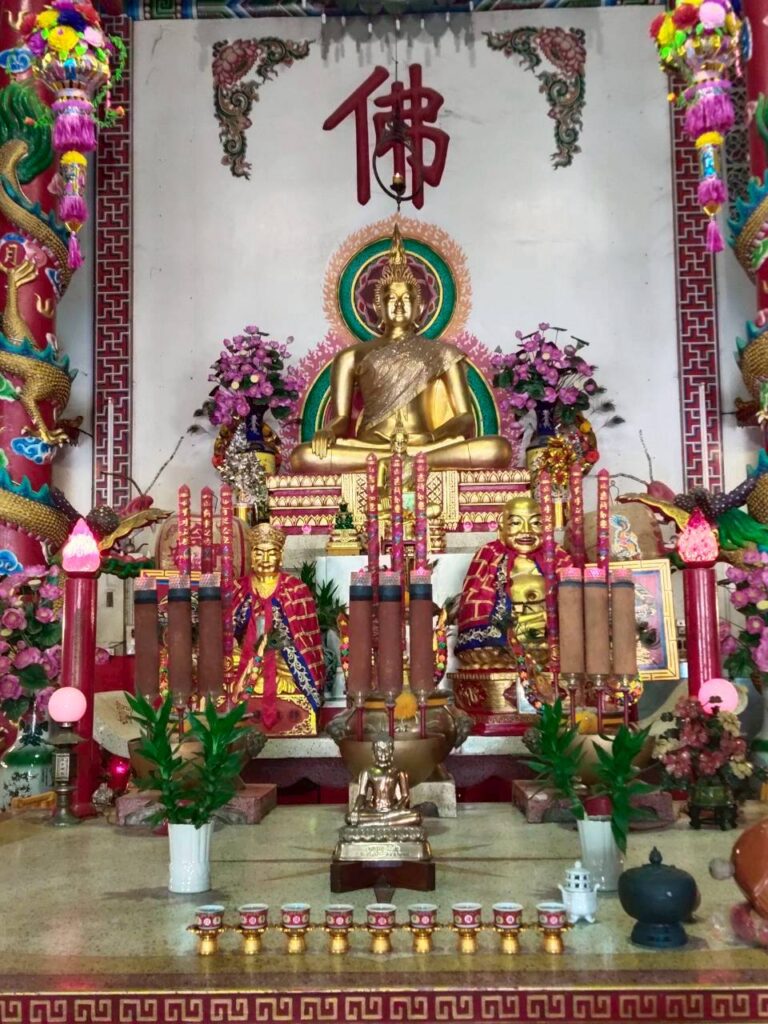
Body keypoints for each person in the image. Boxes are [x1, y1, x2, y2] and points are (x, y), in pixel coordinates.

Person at [289, 227, 512, 474]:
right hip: (370, 448)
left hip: (424, 446)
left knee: (498, 449)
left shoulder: (443, 353)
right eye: (391, 299)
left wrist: (433, 437)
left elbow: (465, 418)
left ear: (419, 308)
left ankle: (412, 463)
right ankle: (404, 464)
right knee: (303, 456)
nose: (398, 306)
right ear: (378, 306)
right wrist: (327, 431)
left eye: (406, 299)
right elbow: (341, 419)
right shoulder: (351, 357)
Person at [456, 495, 571, 668]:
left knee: (572, 649)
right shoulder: (489, 555)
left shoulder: (556, 556)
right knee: (483, 653)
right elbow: (475, 602)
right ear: (501, 528)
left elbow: (574, 600)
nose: (526, 530)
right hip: (502, 642)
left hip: (547, 639)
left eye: (536, 523)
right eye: (516, 523)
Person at [233, 522, 324, 735]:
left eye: (271, 553)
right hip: (246, 657)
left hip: (284, 659)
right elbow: (227, 634)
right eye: (259, 553)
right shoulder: (237, 588)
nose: (265, 559)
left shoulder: (296, 589)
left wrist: (274, 647)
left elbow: (305, 640)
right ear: (251, 556)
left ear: (280, 556)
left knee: (286, 677)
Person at [347, 735, 421, 828]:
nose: (383, 753)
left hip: (392, 810)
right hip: (374, 811)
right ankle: (386, 823)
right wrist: (356, 809)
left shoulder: (399, 771)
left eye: (386, 750)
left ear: (392, 751)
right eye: (379, 750)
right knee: (349, 818)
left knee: (416, 816)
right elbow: (362, 795)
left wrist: (397, 807)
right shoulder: (367, 771)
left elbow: (405, 796)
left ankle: (375, 824)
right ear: (374, 752)